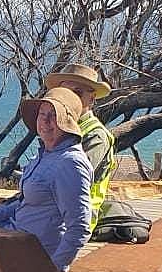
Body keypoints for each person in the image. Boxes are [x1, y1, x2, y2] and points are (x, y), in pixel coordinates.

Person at [0, 88, 92, 272]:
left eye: (53, 115)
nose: (45, 121)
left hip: (35, 257)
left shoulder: (70, 163)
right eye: (42, 114)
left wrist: (53, 271)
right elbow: (26, 202)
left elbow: (79, 226)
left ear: (67, 123)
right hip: (15, 240)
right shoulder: (45, 155)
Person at [45, 63, 116, 230]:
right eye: (65, 93)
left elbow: (71, 182)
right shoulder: (61, 129)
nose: (69, 98)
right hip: (50, 213)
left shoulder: (96, 136)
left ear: (91, 99)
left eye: (77, 93)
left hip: (74, 222)